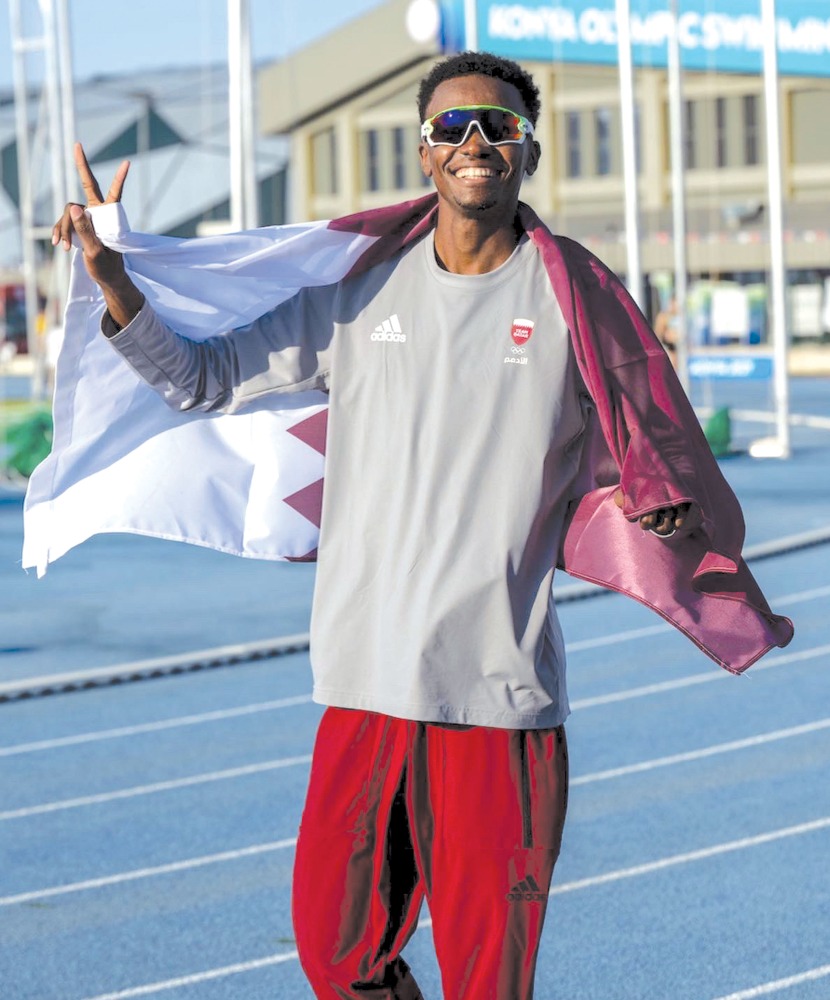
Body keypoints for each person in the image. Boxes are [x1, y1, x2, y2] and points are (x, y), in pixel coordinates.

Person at [52, 52, 791, 1000]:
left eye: (497, 125)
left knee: (488, 985)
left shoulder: (579, 300)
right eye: (453, 127)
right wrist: (116, 280)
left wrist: (670, 514)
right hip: (362, 690)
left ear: (528, 148)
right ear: (424, 152)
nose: (475, 142)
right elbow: (199, 378)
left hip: (498, 703)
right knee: (336, 957)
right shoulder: (358, 293)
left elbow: (654, 443)